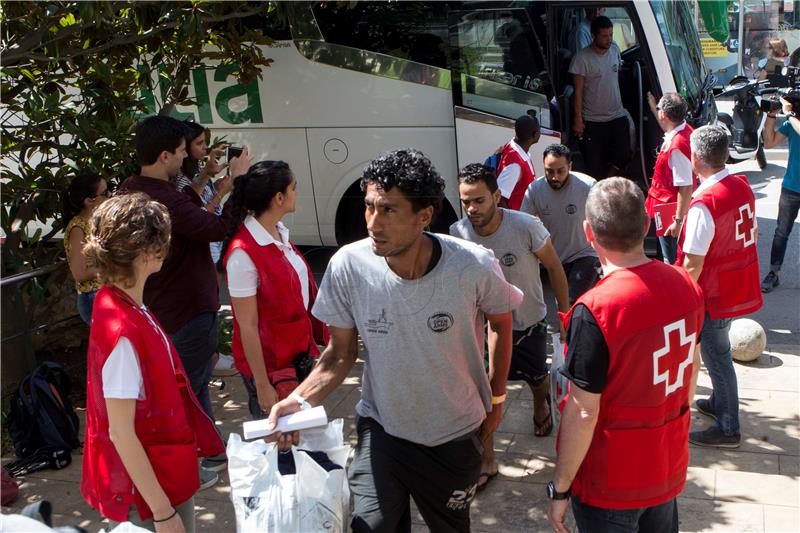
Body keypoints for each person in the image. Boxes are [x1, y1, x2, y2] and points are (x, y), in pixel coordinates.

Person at [266, 149, 522, 532]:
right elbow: (340, 354)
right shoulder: (348, 265)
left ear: (424, 217)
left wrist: (496, 397)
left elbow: (501, 321)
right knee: (371, 526)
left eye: (388, 210)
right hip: (381, 430)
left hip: (454, 436)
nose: (373, 223)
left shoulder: (472, 265)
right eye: (369, 207)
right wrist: (298, 400)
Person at [547, 177, 704, 533]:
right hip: (666, 464)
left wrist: (560, 487)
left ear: (589, 232)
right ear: (647, 223)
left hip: (611, 482)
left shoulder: (596, 310)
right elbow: (692, 372)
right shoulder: (687, 286)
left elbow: (584, 410)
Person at [81, 193, 224, 533]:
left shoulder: (116, 301)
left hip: (161, 472)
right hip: (152, 490)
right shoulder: (123, 330)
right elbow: (120, 432)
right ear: (147, 252)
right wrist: (162, 512)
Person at [120, 115, 251, 485]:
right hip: (186, 310)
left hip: (159, 308)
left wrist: (216, 183)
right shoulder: (166, 201)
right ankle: (198, 460)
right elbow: (216, 227)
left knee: (190, 387)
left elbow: (184, 206)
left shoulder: (133, 189)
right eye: (181, 151)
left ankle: (210, 451)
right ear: (165, 155)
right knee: (188, 393)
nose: (185, 158)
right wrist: (237, 184)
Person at [450, 163, 569, 489]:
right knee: (482, 394)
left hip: (527, 323)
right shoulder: (457, 233)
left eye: (479, 200)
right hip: (480, 330)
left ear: (497, 196)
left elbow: (555, 269)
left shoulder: (526, 226)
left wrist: (565, 313)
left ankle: (540, 404)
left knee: (535, 378)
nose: (472, 209)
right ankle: (487, 460)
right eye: (465, 201)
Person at [220, 160, 328, 419]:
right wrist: (262, 385)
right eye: (294, 188)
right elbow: (246, 325)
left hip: (295, 357)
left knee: (300, 440)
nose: (296, 193)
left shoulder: (278, 233)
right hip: (272, 368)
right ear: (279, 197)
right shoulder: (243, 254)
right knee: (280, 445)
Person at [678, 125, 763, 448]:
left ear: (695, 158)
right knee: (719, 351)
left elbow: (692, 263)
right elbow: (752, 235)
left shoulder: (704, 204)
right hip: (732, 285)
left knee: (717, 355)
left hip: (712, 293)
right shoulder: (741, 186)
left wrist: (679, 297)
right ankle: (718, 402)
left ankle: (729, 427)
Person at [174, 120, 236, 377]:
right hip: (203, 246)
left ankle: (211, 353)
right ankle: (208, 356)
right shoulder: (179, 180)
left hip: (210, 246)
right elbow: (196, 216)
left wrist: (209, 174)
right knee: (206, 302)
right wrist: (220, 193)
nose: (204, 148)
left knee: (212, 297)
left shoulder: (193, 174)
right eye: (198, 143)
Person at [521, 144, 599, 328]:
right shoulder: (534, 190)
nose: (555, 177)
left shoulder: (588, 186)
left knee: (570, 303)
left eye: (560, 171)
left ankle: (574, 345)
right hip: (555, 260)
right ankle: (571, 342)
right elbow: (523, 224)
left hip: (585, 254)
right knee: (563, 308)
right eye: (549, 171)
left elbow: (604, 219)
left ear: (570, 166)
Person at [569, 15, 630, 180]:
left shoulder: (615, 51)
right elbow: (578, 92)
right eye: (604, 36)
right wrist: (578, 120)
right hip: (593, 120)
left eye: (610, 35)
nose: (608, 39)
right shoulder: (582, 59)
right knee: (594, 165)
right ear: (594, 36)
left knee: (623, 154)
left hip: (616, 115)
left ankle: (608, 181)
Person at [645, 92, 695, 264]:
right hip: (665, 206)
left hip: (668, 211)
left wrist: (678, 221)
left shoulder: (677, 147)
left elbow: (686, 186)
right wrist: (653, 106)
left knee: (670, 259)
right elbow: (665, 126)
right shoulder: (683, 130)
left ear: (664, 114)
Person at [761, 97, 800, 292]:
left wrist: (789, 112)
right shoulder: (791, 123)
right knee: (781, 233)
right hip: (791, 186)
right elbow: (768, 143)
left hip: (792, 187)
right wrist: (771, 115)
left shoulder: (794, 121)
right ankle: (773, 273)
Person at [61, 173, 110, 324]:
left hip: (104, 292)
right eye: (105, 193)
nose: (110, 195)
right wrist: (114, 265)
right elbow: (80, 274)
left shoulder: (97, 220)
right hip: (93, 297)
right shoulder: (78, 228)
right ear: (90, 201)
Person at [496, 114, 541, 210]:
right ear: (534, 135)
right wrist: (512, 223)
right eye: (539, 130)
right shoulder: (515, 165)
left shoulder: (514, 146)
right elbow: (499, 198)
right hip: (518, 221)